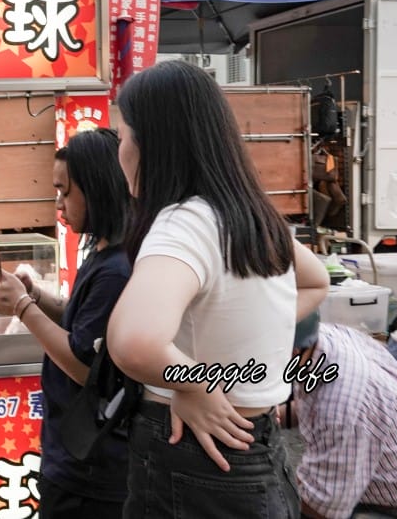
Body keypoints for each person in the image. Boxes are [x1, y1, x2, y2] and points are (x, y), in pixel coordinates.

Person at [105, 60, 330, 517]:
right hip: (259, 452)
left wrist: (198, 382)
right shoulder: (249, 213)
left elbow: (133, 342)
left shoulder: (184, 222)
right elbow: (314, 281)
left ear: (156, 143)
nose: (119, 151)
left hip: (194, 459)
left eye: (122, 136)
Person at [0, 128, 132, 517]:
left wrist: (23, 307)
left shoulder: (117, 271)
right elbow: (81, 324)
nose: (59, 203)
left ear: (97, 187)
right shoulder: (105, 254)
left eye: (65, 190)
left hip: (91, 470)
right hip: (78, 457)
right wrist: (37, 296)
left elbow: (83, 365)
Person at [290, 313, 397, 519]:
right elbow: (314, 401)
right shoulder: (323, 336)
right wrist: (278, 415)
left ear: (293, 351)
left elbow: (321, 508)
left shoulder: (343, 403)